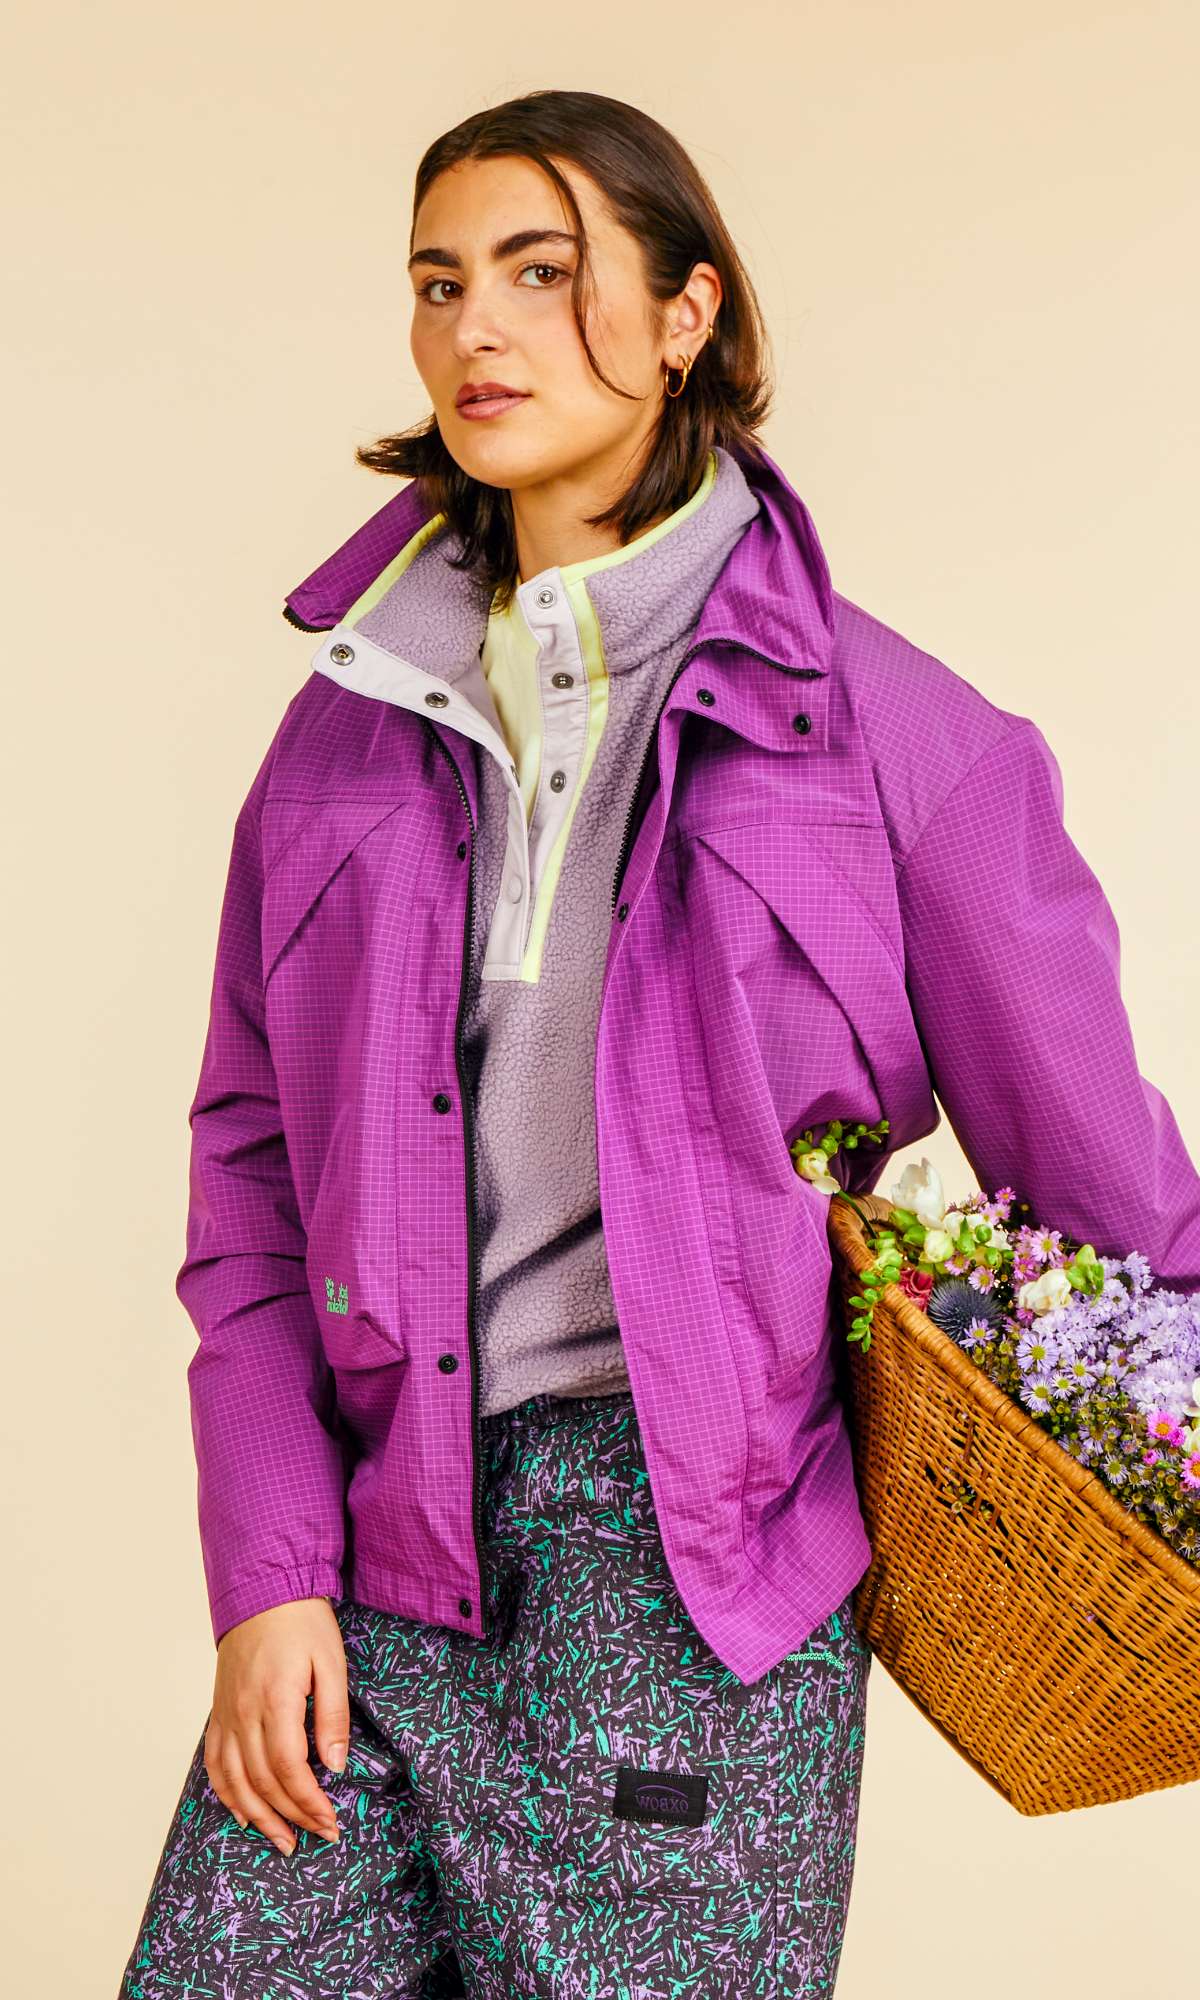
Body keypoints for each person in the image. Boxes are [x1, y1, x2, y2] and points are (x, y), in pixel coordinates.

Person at [119, 88, 1200, 2000]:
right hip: (371, 1568)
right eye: (439, 282)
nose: (477, 328)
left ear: (688, 312)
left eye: (542, 273)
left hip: (696, 1596)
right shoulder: (345, 730)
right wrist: (268, 1573)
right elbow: (251, 1186)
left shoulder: (900, 742)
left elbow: (1123, 1214)